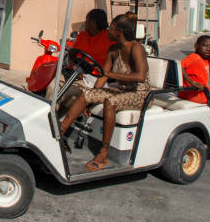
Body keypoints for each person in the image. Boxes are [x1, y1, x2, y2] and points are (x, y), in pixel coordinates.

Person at [60, 11, 150, 171]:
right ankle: (61, 133)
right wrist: (91, 99)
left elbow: (141, 76)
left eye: (111, 29)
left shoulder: (136, 48)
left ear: (118, 33)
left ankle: (104, 152)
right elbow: (102, 78)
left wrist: (110, 74)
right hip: (122, 90)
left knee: (110, 102)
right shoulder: (113, 50)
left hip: (140, 94)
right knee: (87, 93)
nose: (107, 31)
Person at [46, 9, 115, 104]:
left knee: (64, 94)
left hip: (92, 77)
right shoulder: (82, 35)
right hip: (75, 72)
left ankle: (54, 114)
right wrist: (74, 66)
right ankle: (48, 112)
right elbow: (71, 54)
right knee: (52, 87)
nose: (85, 22)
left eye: (87, 20)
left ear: (94, 22)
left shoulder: (108, 38)